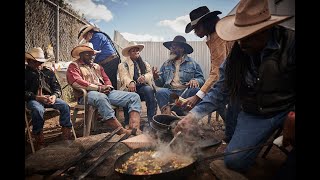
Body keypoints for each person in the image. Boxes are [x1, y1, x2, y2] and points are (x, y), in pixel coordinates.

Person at [174, 0, 295, 173]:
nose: (241, 42)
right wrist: (193, 116)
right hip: (256, 113)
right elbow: (220, 88)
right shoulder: (239, 52)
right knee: (234, 161)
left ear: (265, 29)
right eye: (239, 34)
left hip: (287, 107)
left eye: (249, 35)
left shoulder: (290, 43)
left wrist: (293, 115)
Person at [184, 6, 239, 143]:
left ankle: (233, 139)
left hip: (238, 79)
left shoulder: (218, 36)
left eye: (197, 28)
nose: (195, 32)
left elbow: (217, 73)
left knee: (229, 104)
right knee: (224, 103)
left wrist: (197, 96)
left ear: (206, 23)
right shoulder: (214, 35)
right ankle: (232, 136)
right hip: (233, 78)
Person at [66, 43, 142, 135]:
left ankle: (134, 129)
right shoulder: (74, 66)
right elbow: (76, 82)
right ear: (81, 55)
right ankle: (120, 131)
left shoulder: (97, 66)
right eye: (88, 54)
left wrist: (108, 87)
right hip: (86, 95)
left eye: (93, 54)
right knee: (101, 98)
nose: (91, 57)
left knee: (134, 97)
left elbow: (106, 79)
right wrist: (99, 88)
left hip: (104, 92)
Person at [25, 47, 74, 150]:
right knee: (38, 110)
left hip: (48, 98)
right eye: (35, 62)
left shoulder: (48, 72)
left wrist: (54, 96)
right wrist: (36, 97)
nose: (38, 65)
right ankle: (39, 139)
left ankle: (66, 135)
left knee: (65, 106)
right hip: (32, 100)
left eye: (40, 62)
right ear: (29, 62)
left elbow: (57, 88)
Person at [152, 35, 205, 116]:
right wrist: (156, 77)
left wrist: (196, 80)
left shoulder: (193, 63)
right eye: (171, 47)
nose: (171, 49)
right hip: (171, 93)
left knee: (196, 90)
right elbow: (160, 83)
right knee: (160, 92)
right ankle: (167, 117)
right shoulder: (166, 64)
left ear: (182, 49)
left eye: (174, 47)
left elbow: (201, 79)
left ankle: (190, 118)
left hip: (186, 93)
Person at [118, 41, 157, 125]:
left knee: (148, 90)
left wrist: (145, 77)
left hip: (141, 88)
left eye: (137, 50)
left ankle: (151, 120)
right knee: (126, 93)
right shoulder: (123, 65)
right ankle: (128, 121)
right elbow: (124, 77)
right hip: (130, 88)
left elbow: (150, 74)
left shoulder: (145, 64)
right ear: (129, 53)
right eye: (133, 50)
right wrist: (131, 82)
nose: (136, 52)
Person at [78, 24, 120, 90]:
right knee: (107, 81)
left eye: (85, 36)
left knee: (109, 82)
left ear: (89, 33)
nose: (85, 38)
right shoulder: (95, 38)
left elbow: (91, 53)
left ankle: (113, 97)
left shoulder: (96, 37)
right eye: (84, 37)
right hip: (107, 62)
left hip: (110, 61)